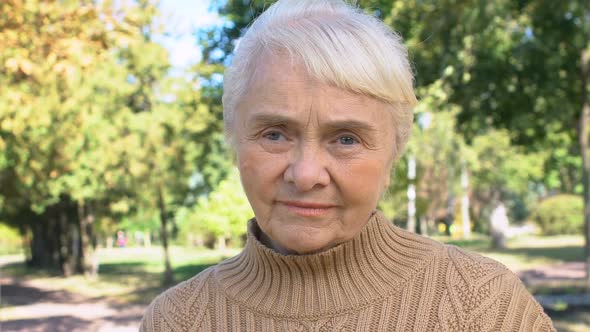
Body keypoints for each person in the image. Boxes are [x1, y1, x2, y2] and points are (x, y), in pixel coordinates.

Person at [141, 0, 555, 330]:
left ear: (394, 150)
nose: (305, 175)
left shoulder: (479, 306)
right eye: (275, 134)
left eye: (345, 139)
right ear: (234, 140)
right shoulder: (179, 320)